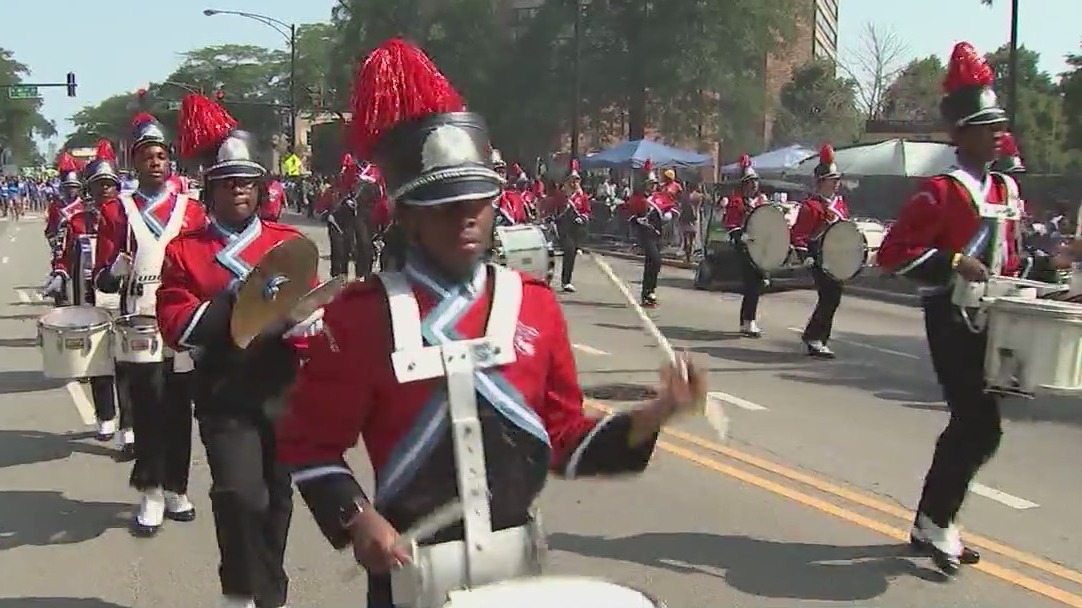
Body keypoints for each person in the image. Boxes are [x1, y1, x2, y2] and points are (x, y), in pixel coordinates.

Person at [275, 38, 706, 608]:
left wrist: (658, 413)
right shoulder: (361, 318)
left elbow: (563, 441)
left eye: (477, 199)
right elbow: (308, 445)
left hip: (516, 574)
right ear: (406, 214)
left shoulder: (535, 305)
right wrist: (358, 520)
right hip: (411, 575)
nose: (466, 217)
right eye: (444, 205)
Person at [877, 41, 1073, 576]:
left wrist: (1054, 266)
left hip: (1002, 319)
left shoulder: (1007, 187)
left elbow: (1017, 251)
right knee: (977, 424)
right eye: (986, 125)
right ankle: (937, 523)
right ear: (961, 133)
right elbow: (893, 255)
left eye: (998, 125)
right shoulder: (941, 193)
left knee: (979, 426)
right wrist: (955, 260)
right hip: (952, 318)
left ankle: (929, 520)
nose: (997, 134)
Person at [156, 94, 320, 608]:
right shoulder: (186, 251)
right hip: (224, 386)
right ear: (212, 188)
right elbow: (176, 325)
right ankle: (244, 592)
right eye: (229, 182)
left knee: (276, 497)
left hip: (283, 385)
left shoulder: (286, 241)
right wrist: (235, 301)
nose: (240, 191)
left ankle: (263, 592)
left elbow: (309, 307)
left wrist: (311, 323)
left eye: (248, 181)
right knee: (238, 494)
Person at [94, 111, 204, 536]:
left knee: (179, 409)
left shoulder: (190, 210)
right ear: (134, 163)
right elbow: (102, 278)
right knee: (149, 409)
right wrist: (116, 269)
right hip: (138, 326)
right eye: (147, 157)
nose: (155, 163)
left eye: (161, 156)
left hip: (182, 324)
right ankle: (151, 491)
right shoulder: (117, 211)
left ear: (169, 161)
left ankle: (177, 488)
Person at [46, 141, 129, 443]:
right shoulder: (74, 219)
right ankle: (106, 416)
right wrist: (59, 273)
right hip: (87, 298)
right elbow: (61, 252)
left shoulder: (129, 215)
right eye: (98, 185)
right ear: (88, 188)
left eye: (109, 184)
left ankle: (128, 424)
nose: (104, 189)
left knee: (127, 363)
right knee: (99, 361)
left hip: (124, 298)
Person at [790, 145, 848, 359]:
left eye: (837, 179)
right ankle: (815, 338)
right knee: (829, 296)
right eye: (833, 180)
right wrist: (806, 255)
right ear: (821, 182)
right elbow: (799, 235)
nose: (836, 184)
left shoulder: (839, 204)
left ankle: (817, 337)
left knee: (834, 297)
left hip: (836, 256)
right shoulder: (811, 206)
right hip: (819, 257)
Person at [721, 154, 770, 338]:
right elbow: (731, 224)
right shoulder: (737, 202)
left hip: (759, 246)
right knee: (752, 284)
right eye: (750, 181)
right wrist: (740, 236)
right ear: (744, 184)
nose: (754, 185)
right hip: (744, 247)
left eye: (755, 181)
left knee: (756, 284)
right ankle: (748, 321)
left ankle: (747, 320)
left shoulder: (761, 201)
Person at [624, 161, 678, 307]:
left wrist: (668, 215)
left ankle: (648, 292)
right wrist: (637, 220)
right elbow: (629, 215)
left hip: (657, 233)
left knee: (651, 264)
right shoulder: (638, 199)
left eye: (654, 184)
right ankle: (648, 291)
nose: (652, 186)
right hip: (645, 234)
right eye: (650, 183)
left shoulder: (660, 197)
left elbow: (673, 209)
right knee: (656, 260)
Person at [546, 159, 591, 292]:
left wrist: (582, 218)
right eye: (572, 180)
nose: (574, 183)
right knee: (557, 251)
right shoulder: (561, 196)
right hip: (560, 227)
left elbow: (586, 211)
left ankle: (566, 281)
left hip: (575, 229)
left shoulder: (582, 197)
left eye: (576, 180)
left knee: (570, 253)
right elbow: (552, 208)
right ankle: (547, 278)